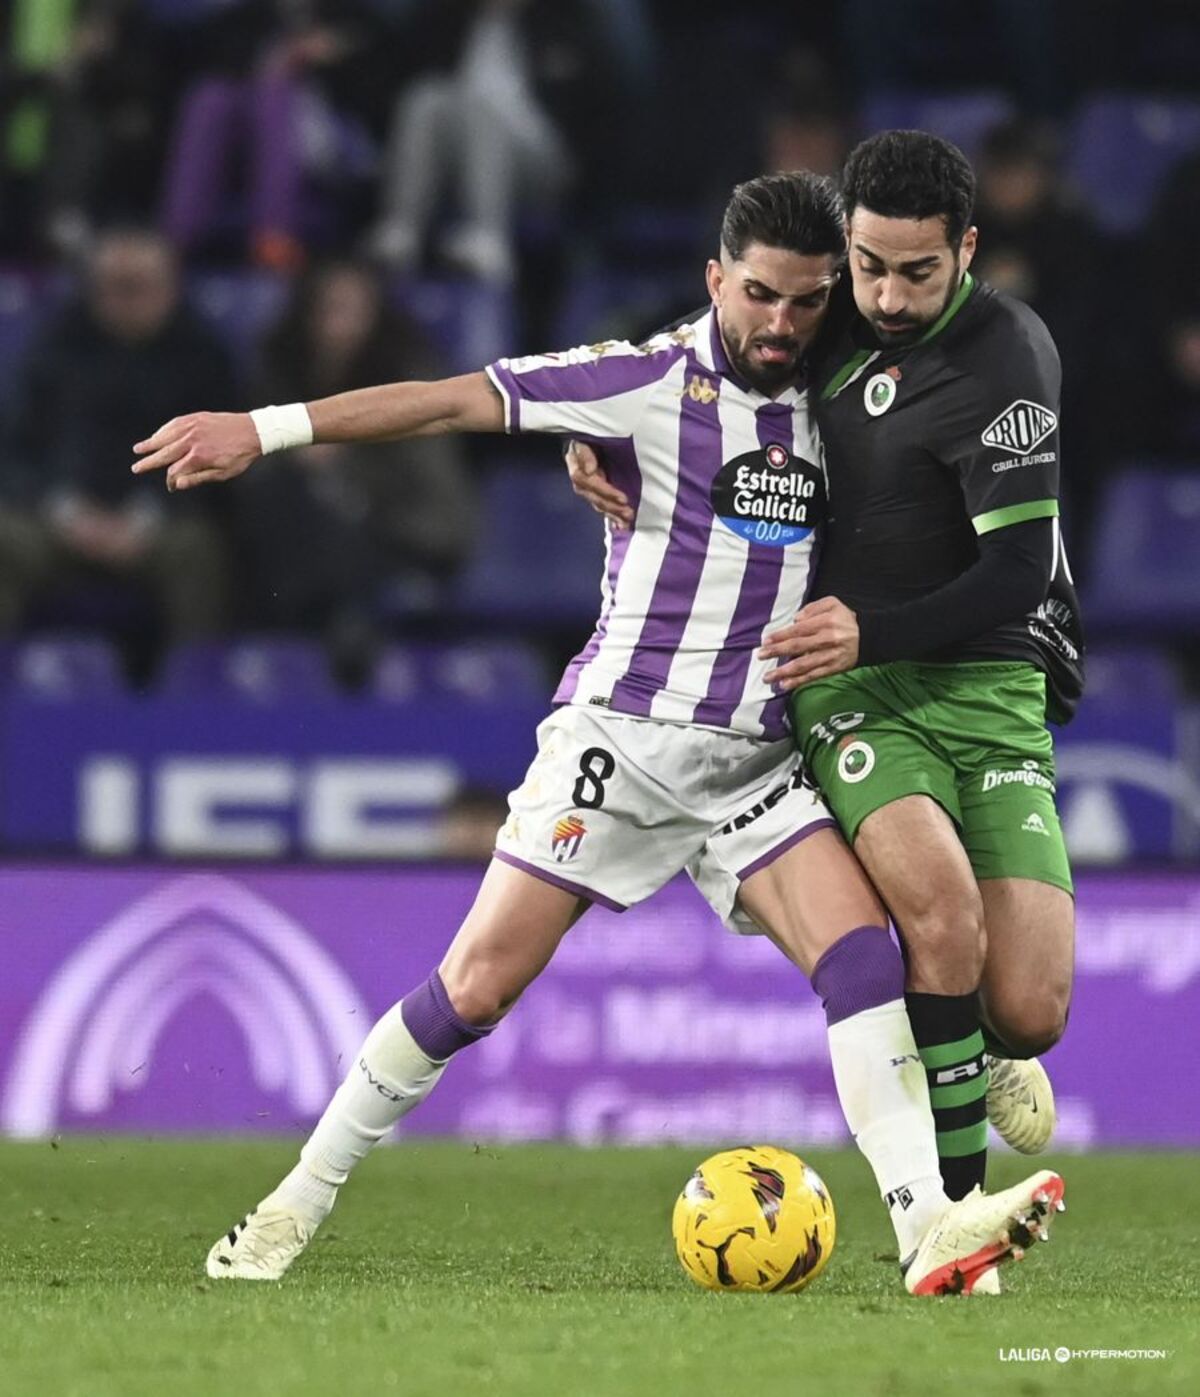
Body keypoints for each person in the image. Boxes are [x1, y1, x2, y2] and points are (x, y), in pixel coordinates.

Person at [133, 172, 1064, 1295]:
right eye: (759, 295)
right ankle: (294, 1200)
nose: (781, 324)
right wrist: (266, 426)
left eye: (809, 301)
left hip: (756, 759)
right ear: (715, 279)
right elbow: (449, 400)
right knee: (473, 987)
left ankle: (930, 1230)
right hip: (620, 744)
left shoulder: (846, 385)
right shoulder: (638, 381)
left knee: (865, 954)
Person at [568, 133, 1082, 1205]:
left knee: (1031, 1007)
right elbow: (702, 350)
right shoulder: (825, 316)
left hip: (982, 681)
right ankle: (954, 1218)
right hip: (847, 684)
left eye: (918, 273)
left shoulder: (1007, 357)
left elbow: (1020, 571)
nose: (888, 298)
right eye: (869, 266)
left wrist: (876, 631)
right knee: (939, 914)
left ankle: (978, 1047)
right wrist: (597, 443)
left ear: (968, 250)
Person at [0, 227, 234, 649]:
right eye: (115, 287)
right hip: (57, 520)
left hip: (159, 523)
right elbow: (15, 450)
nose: (127, 301)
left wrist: (147, 517)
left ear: (171, 289)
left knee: (198, 550)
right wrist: (64, 510)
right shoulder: (53, 349)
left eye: (140, 287)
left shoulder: (203, 358)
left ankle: (193, 694)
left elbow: (223, 463)